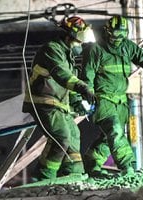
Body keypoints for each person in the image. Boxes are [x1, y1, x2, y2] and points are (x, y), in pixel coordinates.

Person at [80, 15, 143, 178]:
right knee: (114, 130)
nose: (117, 39)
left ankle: (91, 162)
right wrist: (88, 98)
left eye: (121, 36)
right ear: (107, 32)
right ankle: (129, 166)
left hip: (121, 102)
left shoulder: (127, 47)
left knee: (111, 137)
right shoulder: (95, 50)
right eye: (115, 35)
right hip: (103, 100)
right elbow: (87, 77)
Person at [22, 15, 97, 181]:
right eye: (79, 43)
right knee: (61, 137)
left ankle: (73, 174)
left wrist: (78, 102)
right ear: (69, 37)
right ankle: (43, 177)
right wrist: (84, 88)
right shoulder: (52, 50)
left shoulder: (67, 57)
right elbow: (62, 75)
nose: (81, 46)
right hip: (43, 102)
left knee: (74, 135)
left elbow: (68, 85)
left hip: (60, 105)